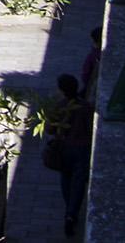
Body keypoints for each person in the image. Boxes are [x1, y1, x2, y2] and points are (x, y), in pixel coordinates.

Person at [50, 73, 93, 237]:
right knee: (78, 182)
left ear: (62, 90)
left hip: (65, 147)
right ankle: (72, 213)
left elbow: (50, 129)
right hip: (81, 148)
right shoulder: (86, 107)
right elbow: (90, 129)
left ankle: (69, 209)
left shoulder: (60, 106)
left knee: (66, 178)